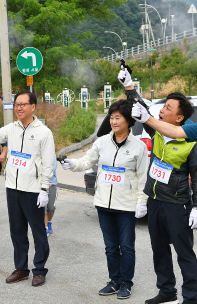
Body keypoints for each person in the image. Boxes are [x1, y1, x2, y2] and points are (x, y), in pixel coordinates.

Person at [114, 68, 197, 304]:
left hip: (178, 204)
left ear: (180, 118)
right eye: (163, 106)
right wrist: (129, 86)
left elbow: (196, 176)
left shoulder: (191, 141)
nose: (161, 110)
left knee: (184, 253)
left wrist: (196, 207)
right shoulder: (158, 131)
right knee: (159, 249)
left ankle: (191, 297)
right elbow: (141, 109)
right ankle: (167, 291)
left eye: (168, 108)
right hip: (155, 200)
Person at [60, 99, 149, 299]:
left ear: (128, 120)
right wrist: (72, 164)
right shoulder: (101, 142)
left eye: (118, 118)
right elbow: (87, 161)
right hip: (103, 204)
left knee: (126, 246)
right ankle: (114, 281)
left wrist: (142, 201)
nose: (113, 121)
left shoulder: (139, 147)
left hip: (126, 204)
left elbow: (143, 176)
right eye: (112, 117)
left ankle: (126, 282)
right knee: (110, 247)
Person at [0, 91, 55, 287]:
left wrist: (44, 189)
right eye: (17, 104)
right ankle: (22, 269)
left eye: (23, 104)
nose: (19, 108)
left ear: (33, 107)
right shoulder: (11, 129)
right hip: (13, 189)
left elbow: (49, 163)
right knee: (17, 232)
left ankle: (39, 270)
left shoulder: (43, 132)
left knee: (38, 232)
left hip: (33, 190)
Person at [45, 160, 58, 235]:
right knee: (43, 208)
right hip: (39, 183)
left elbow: (52, 168)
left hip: (52, 182)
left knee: (51, 208)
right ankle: (45, 227)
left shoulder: (52, 152)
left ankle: (48, 222)